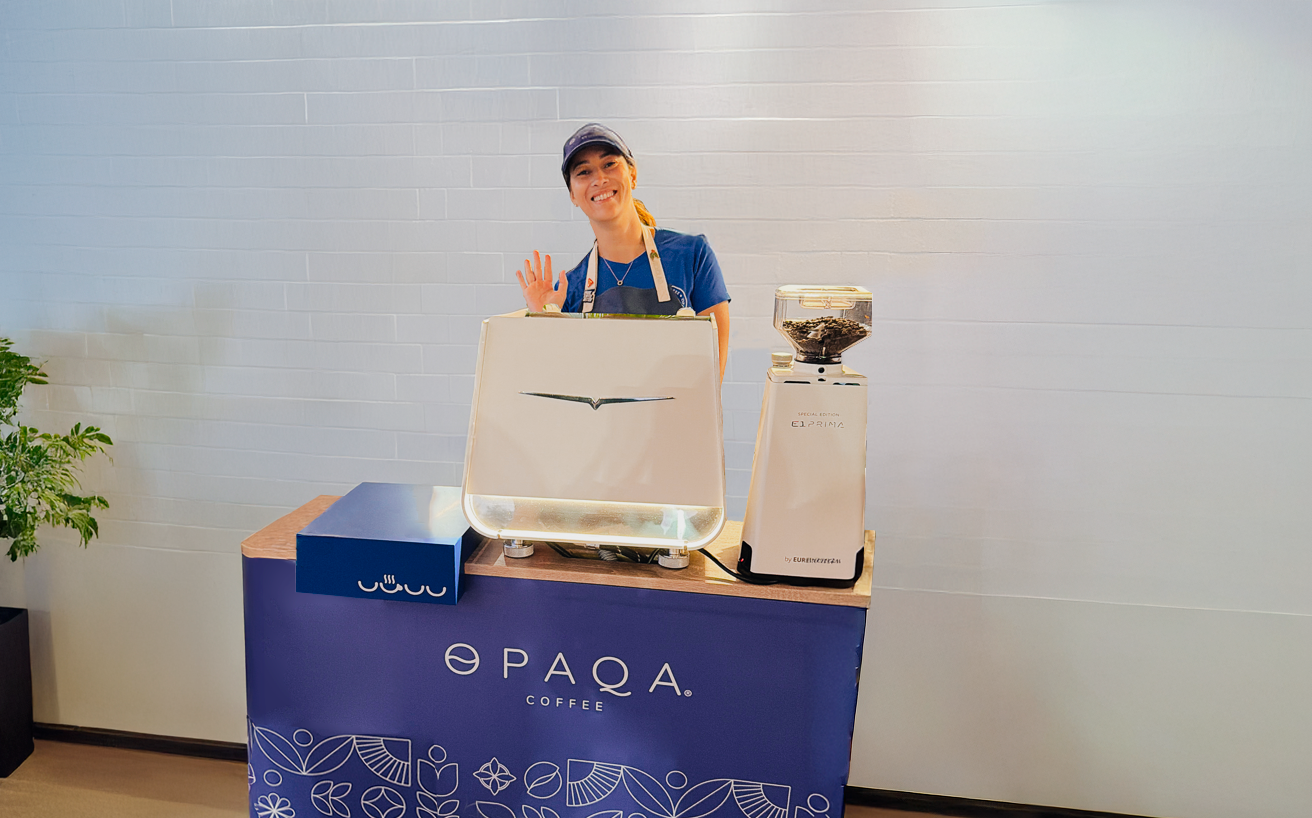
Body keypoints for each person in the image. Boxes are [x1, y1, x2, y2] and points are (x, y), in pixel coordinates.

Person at [516, 123, 731, 378]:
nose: (599, 179)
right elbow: (560, 384)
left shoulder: (692, 255)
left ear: (633, 174)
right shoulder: (571, 289)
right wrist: (544, 324)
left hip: (677, 417)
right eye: (584, 172)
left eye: (609, 164)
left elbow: (711, 374)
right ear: (573, 195)